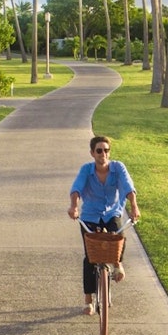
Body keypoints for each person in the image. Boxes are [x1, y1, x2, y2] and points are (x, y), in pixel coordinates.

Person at [67, 135, 140, 315]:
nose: (103, 154)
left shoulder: (118, 168)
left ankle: (117, 265)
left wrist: (134, 207)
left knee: (118, 236)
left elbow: (128, 187)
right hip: (91, 214)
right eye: (99, 150)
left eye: (106, 150)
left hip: (111, 213)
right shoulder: (86, 170)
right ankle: (88, 300)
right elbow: (76, 188)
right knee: (90, 257)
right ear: (92, 153)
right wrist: (74, 207)